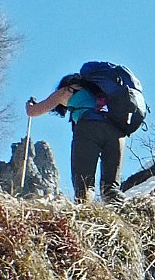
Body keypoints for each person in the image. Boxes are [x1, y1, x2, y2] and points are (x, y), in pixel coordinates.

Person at [25, 74, 124, 203]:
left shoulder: (69, 90)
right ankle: (121, 216)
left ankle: (85, 215)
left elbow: (34, 111)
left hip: (89, 129)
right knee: (111, 187)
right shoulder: (102, 91)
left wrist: (29, 104)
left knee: (84, 185)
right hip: (117, 131)